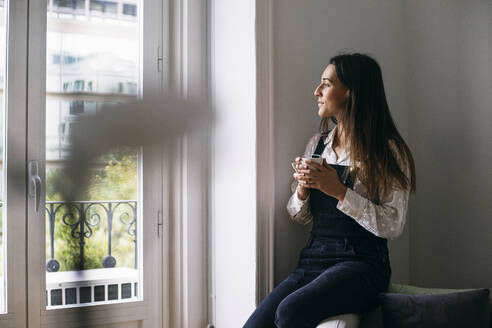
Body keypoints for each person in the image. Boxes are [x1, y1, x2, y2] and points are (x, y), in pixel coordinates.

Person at [243, 52, 416, 328]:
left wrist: (339, 191)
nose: (316, 91)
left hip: (362, 265)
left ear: (350, 92)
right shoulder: (318, 145)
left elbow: (393, 225)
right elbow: (298, 216)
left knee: (290, 312)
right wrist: (302, 188)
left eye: (326, 83)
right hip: (313, 259)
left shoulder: (388, 151)